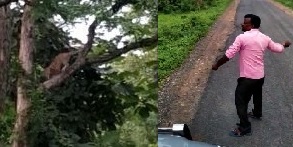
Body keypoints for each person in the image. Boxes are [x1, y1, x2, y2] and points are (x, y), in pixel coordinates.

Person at [212, 14, 291, 137]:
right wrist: (284, 44)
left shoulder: (242, 38)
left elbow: (229, 54)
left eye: (245, 23)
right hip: (260, 76)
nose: (242, 24)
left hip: (247, 78)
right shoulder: (264, 38)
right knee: (257, 94)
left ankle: (244, 127)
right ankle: (257, 113)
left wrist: (216, 64)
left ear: (252, 25)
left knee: (241, 101)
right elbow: (278, 48)